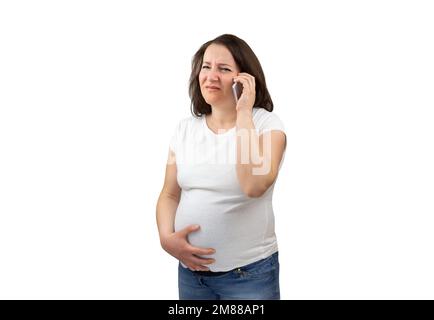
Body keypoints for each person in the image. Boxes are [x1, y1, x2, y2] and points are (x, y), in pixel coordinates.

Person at [156, 34, 287, 300]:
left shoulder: (267, 126)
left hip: (249, 277)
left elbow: (253, 185)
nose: (211, 76)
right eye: (206, 67)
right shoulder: (184, 130)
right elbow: (169, 194)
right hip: (192, 276)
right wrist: (166, 239)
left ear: (245, 79)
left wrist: (243, 113)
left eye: (224, 69)